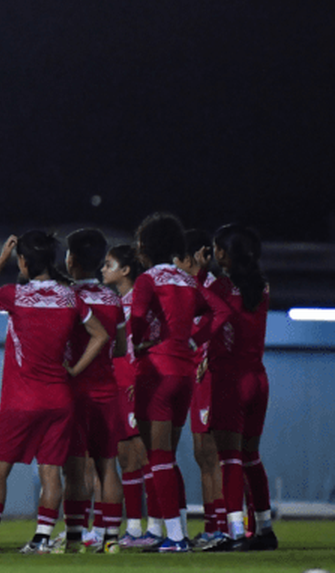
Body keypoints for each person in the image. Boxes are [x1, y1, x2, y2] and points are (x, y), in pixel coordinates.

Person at [0, 232, 110, 555]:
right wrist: (75, 369)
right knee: (50, 471)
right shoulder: (69, 297)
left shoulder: (15, 295)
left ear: (23, 262)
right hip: (59, 398)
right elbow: (100, 335)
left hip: (21, 399)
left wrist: (2, 257)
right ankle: (42, 540)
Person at [128, 213, 230, 552]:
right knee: (166, 457)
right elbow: (221, 312)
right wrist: (192, 340)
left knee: (157, 457)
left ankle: (174, 536)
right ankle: (171, 531)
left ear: (145, 247)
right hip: (184, 375)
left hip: (155, 372)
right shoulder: (187, 281)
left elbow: (137, 319)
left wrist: (139, 343)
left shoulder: (147, 280)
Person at [209, 224, 277, 551]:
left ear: (224, 253)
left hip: (230, 380)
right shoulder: (262, 287)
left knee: (229, 459)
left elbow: (197, 309)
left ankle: (234, 531)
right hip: (258, 379)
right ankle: (264, 528)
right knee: (251, 457)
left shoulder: (220, 287)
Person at [60, 229, 125, 552]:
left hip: (75, 390)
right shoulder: (113, 299)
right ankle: (111, 538)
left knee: (74, 469)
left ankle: (74, 538)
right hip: (107, 390)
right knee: (107, 465)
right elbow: (121, 348)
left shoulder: (67, 297)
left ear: (71, 259)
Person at [100, 245, 158, 547]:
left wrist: (140, 376)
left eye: (109, 264)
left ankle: (157, 526)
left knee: (146, 454)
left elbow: (153, 339)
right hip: (118, 384)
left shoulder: (141, 300)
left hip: (135, 383)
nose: (103, 269)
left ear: (125, 270)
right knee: (126, 457)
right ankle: (134, 527)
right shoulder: (116, 302)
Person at [175, 229, 228, 548]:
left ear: (194, 256)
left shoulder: (211, 285)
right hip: (192, 375)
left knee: (212, 454)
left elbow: (223, 319)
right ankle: (212, 526)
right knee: (201, 454)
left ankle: (223, 526)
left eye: (178, 256)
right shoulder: (187, 286)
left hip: (208, 375)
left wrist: (202, 348)